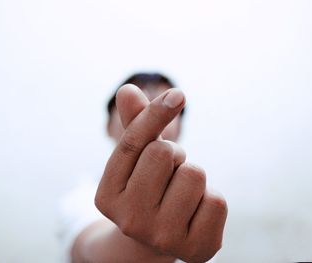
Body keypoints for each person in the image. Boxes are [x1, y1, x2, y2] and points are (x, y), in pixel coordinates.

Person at [57, 73, 228, 263]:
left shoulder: (202, 204)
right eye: (137, 108)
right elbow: (90, 248)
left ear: (180, 129)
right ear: (107, 126)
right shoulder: (80, 196)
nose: (147, 115)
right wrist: (148, 245)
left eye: (159, 105)